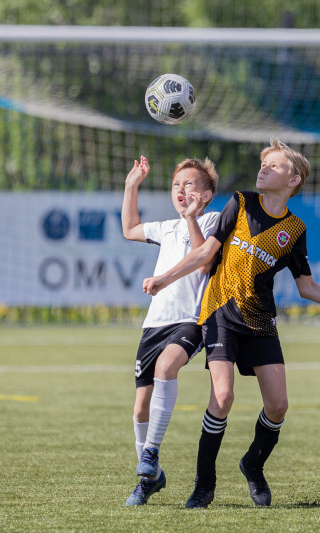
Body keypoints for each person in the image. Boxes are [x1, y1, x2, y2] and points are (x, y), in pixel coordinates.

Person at [142, 138, 320, 509]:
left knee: (278, 405)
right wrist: (164, 279)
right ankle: (204, 485)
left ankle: (253, 464)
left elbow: (307, 286)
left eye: (273, 165)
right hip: (219, 313)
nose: (263, 168)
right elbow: (205, 252)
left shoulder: (294, 230)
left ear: (293, 180)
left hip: (260, 320)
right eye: (263, 164)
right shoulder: (240, 202)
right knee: (222, 396)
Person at [121, 155, 220, 506]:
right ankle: (151, 477)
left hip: (189, 320)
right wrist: (132, 184)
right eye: (176, 184)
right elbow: (130, 229)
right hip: (154, 324)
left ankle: (149, 454)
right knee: (139, 408)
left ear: (206, 194)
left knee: (167, 368)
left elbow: (204, 258)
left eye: (190, 184)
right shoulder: (166, 227)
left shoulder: (211, 221)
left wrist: (192, 217)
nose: (181, 189)